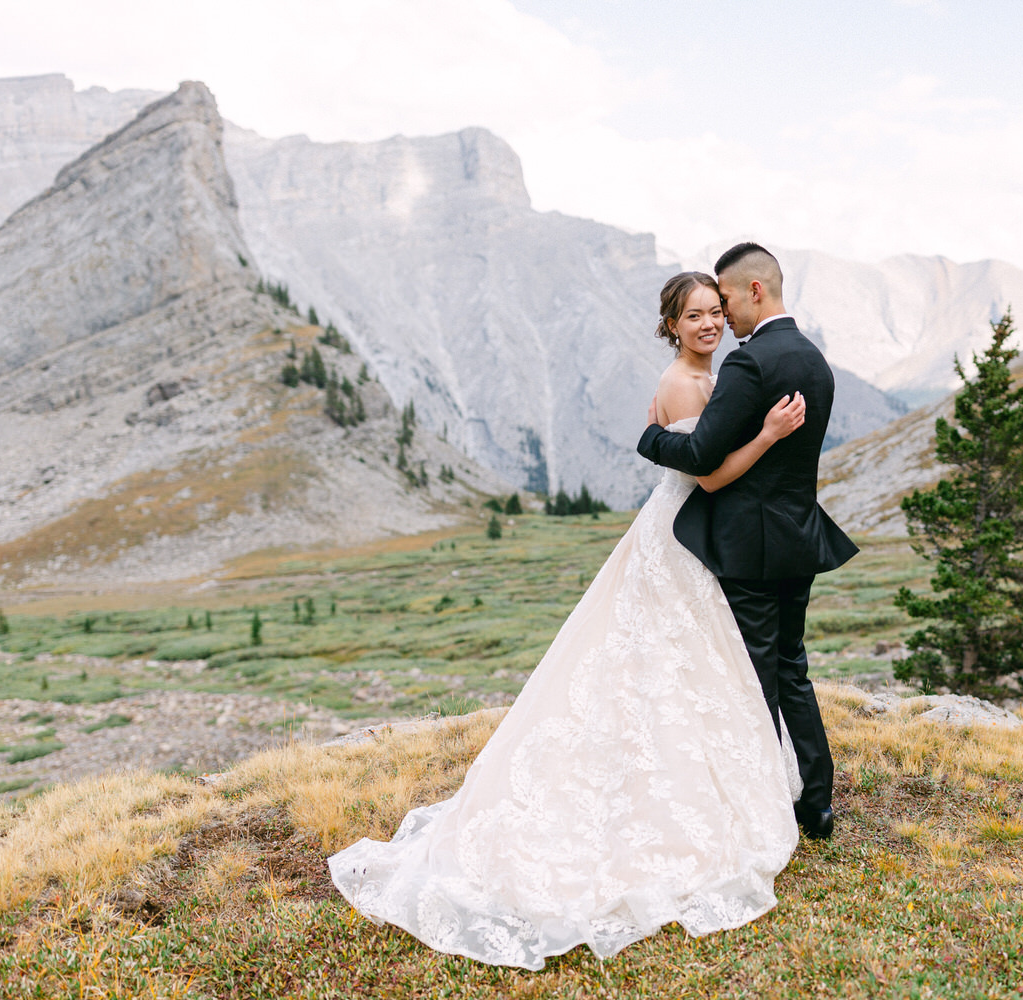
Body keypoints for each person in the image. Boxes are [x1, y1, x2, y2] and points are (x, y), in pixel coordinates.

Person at [328, 271, 807, 971]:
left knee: (672, 669)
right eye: (694, 315)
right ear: (672, 325)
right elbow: (706, 474)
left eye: (714, 312)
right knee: (656, 661)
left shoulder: (712, 377)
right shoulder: (684, 383)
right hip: (679, 537)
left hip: (689, 538)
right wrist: (767, 434)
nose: (708, 324)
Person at [637, 242, 859, 841]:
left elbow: (703, 457)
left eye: (726, 299)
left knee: (751, 677)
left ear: (753, 291)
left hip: (748, 548)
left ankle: (756, 808)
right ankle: (817, 802)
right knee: (793, 669)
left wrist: (652, 437)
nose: (722, 316)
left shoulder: (748, 363)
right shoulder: (815, 360)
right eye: (703, 310)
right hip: (800, 539)